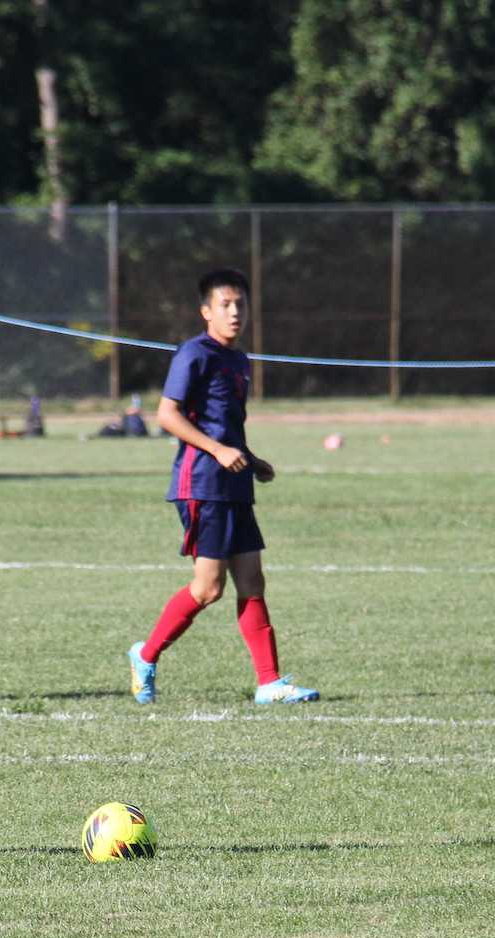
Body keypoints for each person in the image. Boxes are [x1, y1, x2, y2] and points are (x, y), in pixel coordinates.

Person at [127, 267, 318, 706]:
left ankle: (269, 683)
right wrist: (217, 451)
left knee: (252, 581)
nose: (235, 313)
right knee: (209, 588)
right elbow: (168, 415)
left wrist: (252, 460)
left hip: (234, 482)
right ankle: (146, 654)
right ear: (206, 311)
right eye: (226, 305)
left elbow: (226, 424)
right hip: (202, 484)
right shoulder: (194, 354)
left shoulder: (239, 359)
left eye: (241, 304)